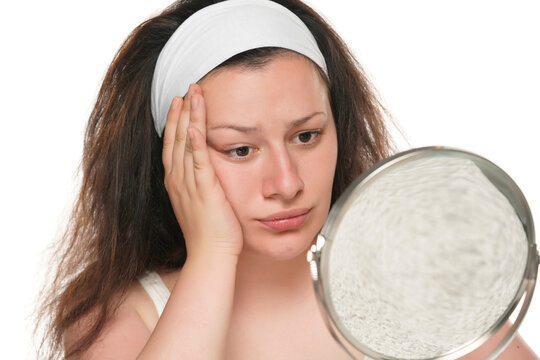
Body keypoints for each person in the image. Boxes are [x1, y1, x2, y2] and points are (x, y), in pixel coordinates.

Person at [35, 0, 538, 359]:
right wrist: (212, 254)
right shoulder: (124, 320)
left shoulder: (409, 287)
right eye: (240, 149)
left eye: (306, 136)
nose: (286, 182)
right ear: (174, 160)